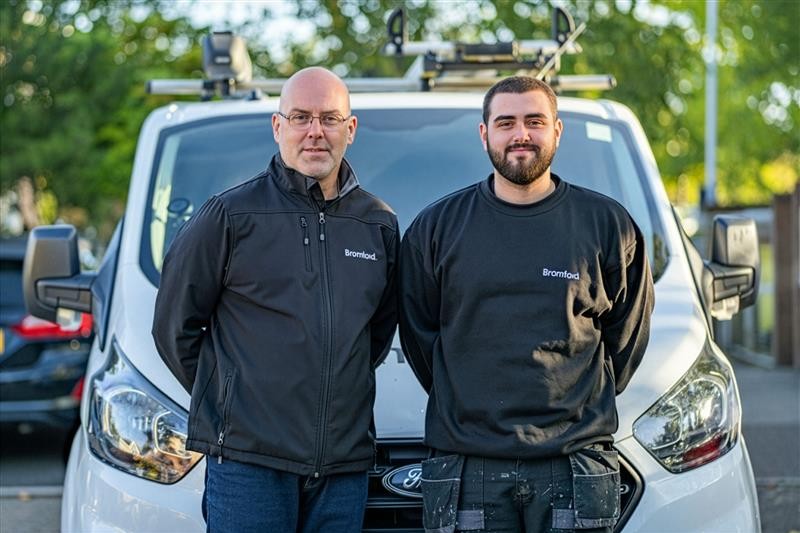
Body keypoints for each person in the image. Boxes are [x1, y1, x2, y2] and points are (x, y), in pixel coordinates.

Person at [398, 76, 654, 533]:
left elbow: (626, 337)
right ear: (485, 135)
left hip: (574, 462)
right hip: (468, 466)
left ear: (557, 130)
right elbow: (420, 338)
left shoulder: (607, 225)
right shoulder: (436, 229)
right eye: (506, 122)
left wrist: (576, 402)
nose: (521, 134)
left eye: (534, 121)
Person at [152, 67, 399, 533]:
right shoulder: (229, 215)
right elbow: (173, 326)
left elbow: (375, 335)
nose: (314, 132)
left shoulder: (378, 224)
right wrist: (234, 401)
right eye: (301, 117)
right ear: (277, 126)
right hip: (250, 464)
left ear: (351, 129)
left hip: (342, 467)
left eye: (329, 119)